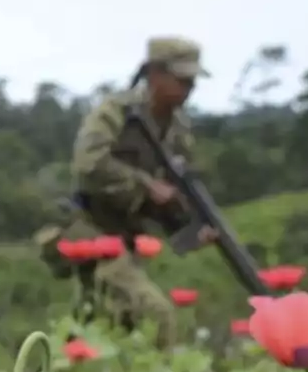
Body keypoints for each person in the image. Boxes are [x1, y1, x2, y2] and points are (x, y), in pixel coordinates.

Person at [57, 35, 216, 351]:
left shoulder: (179, 130)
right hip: (91, 231)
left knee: (101, 330)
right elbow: (88, 165)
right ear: (155, 74)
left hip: (130, 239)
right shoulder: (115, 112)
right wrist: (143, 184)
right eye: (181, 79)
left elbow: (174, 195)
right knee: (155, 316)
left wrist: (190, 233)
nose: (189, 88)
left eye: (192, 81)